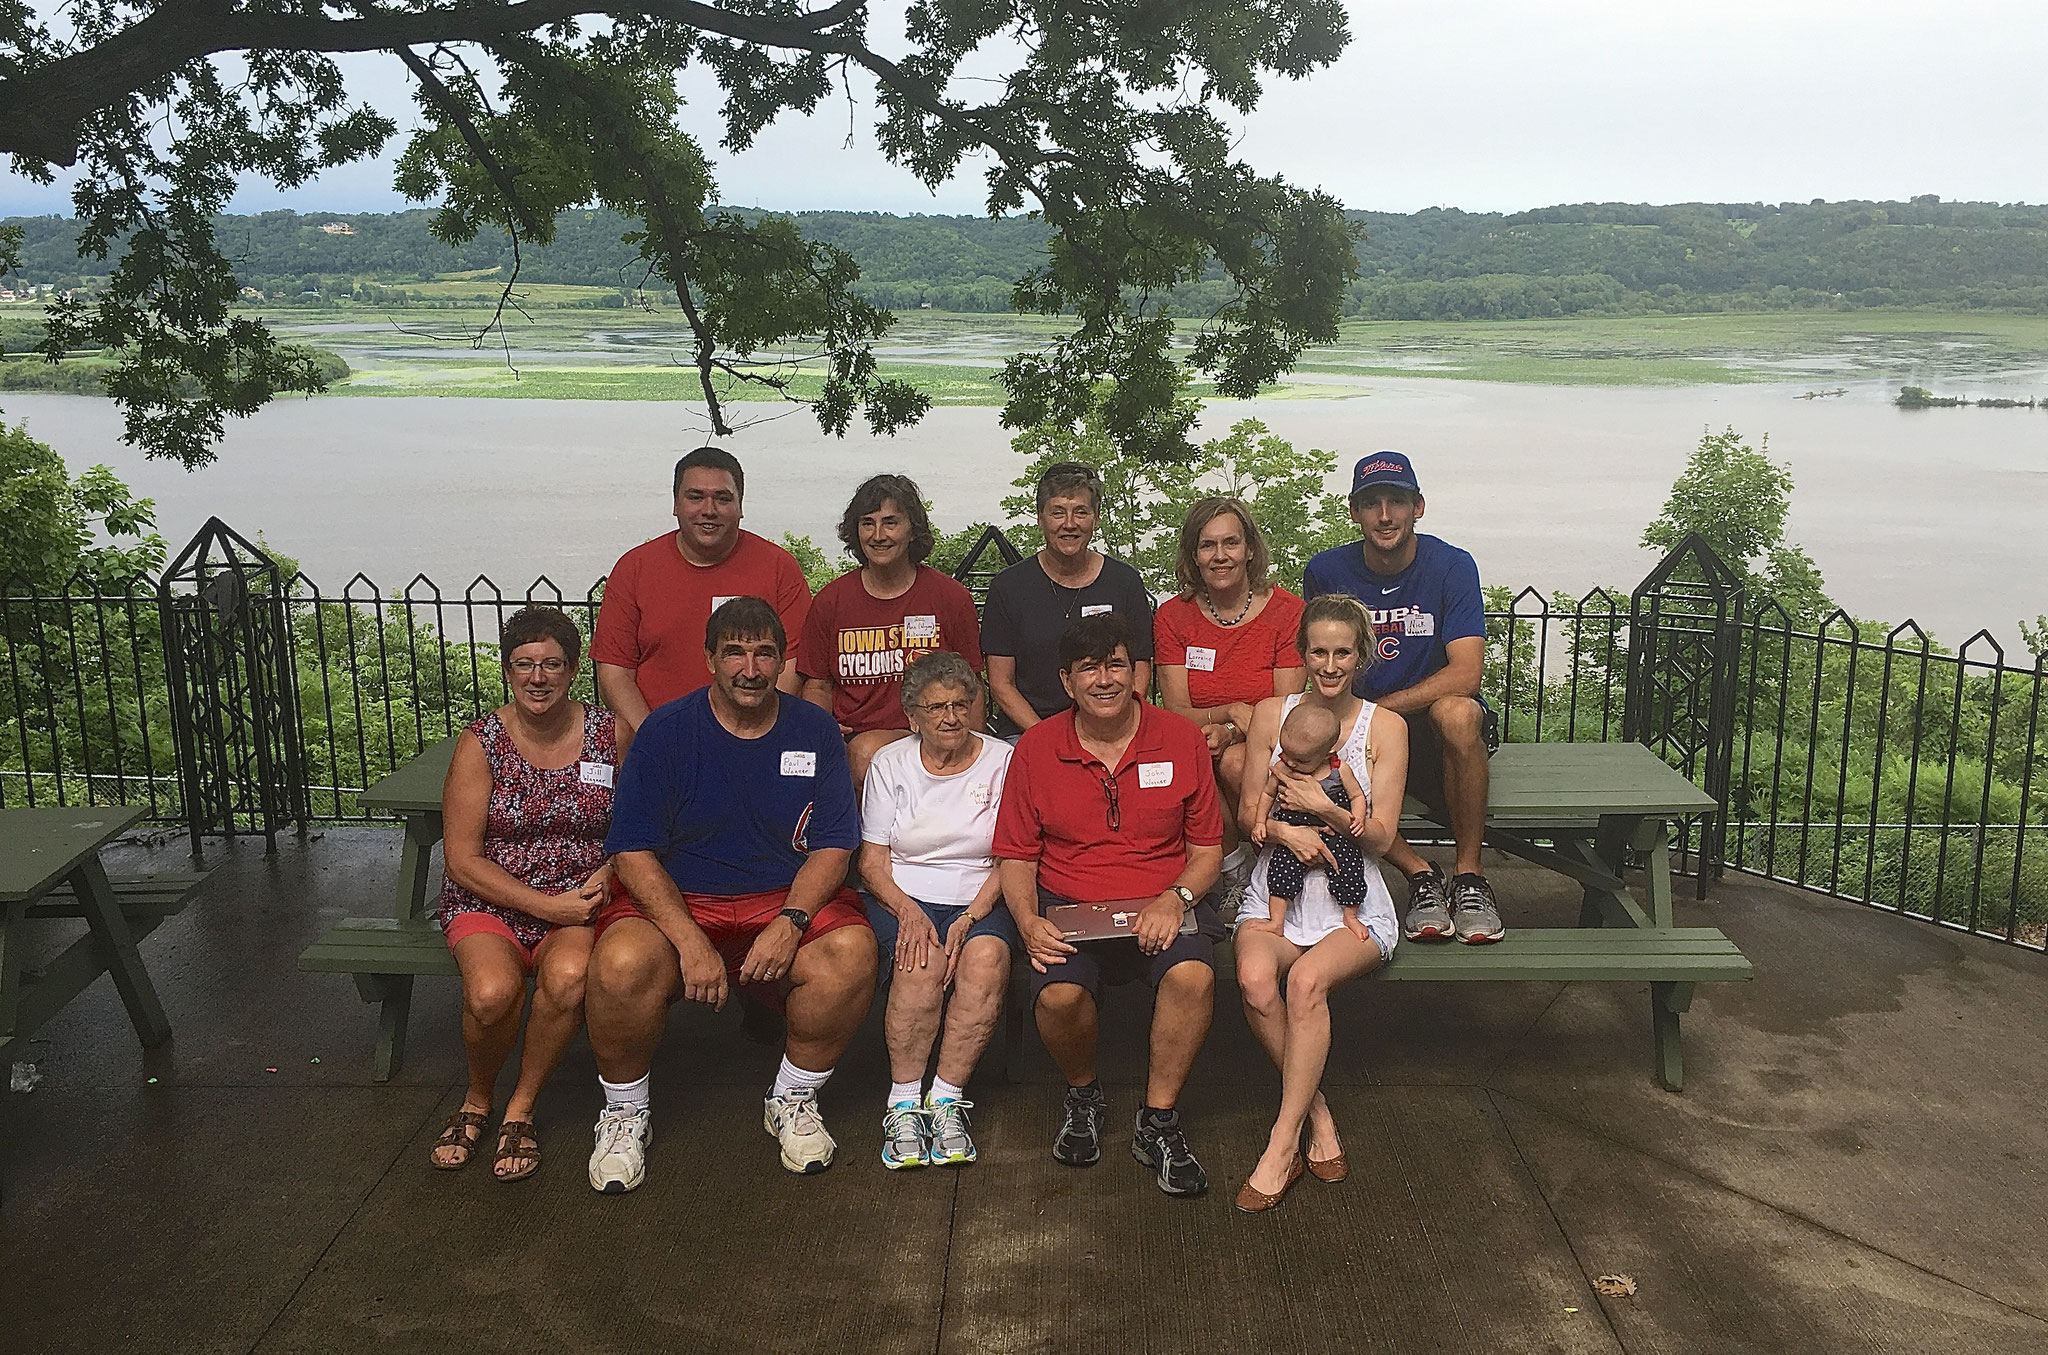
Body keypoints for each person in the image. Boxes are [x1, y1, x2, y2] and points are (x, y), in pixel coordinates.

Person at [584, 597, 877, 1191]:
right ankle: (622, 1111)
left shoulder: (814, 729)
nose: (750, 668)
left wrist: (792, 919)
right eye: (735, 652)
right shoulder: (665, 729)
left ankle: (793, 1099)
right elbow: (632, 850)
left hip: (779, 895)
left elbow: (834, 845)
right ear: (710, 659)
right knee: (619, 963)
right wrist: (690, 941)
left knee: (852, 954)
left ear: (781, 661)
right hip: (684, 898)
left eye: (765, 653)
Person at [993, 612, 1223, 1197]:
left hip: (1162, 899)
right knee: (1059, 995)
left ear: (1136, 673)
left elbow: (1207, 849)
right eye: (1088, 668)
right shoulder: (1037, 750)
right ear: (1067, 681)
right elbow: (1016, 856)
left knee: (1193, 977)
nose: (1104, 680)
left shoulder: (1181, 738)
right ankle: (1084, 1093)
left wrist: (1176, 898)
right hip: (1070, 901)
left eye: (1116, 664)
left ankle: (1159, 1119)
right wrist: (1027, 921)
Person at [1231, 594, 1409, 1212]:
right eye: (1318, 651)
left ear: (1362, 655)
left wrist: (1327, 812)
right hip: (1278, 886)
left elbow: (1381, 837)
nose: (1329, 665)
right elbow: (1248, 812)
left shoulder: (1385, 728)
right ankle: (1319, 1116)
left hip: (1350, 896)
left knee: (1306, 982)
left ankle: (1281, 1145)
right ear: (1302, 653)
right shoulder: (1270, 715)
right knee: (1256, 979)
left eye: (1342, 652)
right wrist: (1286, 830)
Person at [430, 605, 615, 1181]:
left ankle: (521, 1107)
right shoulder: (480, 742)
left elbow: (639, 825)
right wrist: (540, 905)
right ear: (508, 671)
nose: (539, 677)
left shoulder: (610, 734)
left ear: (573, 669)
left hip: (581, 902)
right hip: (491, 898)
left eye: (552, 664)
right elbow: (461, 857)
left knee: (565, 980)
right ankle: (477, 1099)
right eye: (525, 664)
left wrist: (608, 875)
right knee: (490, 993)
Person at [1301, 450, 1501, 944]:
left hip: (1425, 725)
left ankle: (1470, 876)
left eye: (1397, 501)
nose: (1385, 515)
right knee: (1311, 744)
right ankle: (1419, 875)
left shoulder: (1451, 565)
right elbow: (1318, 662)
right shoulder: (1326, 571)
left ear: (1419, 506)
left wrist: (1383, 711)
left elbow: (1467, 673)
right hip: (1359, 732)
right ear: (1354, 512)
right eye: (1372, 503)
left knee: (1458, 714)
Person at [859, 650, 1014, 1169]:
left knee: (985, 960)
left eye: (960, 704)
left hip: (982, 893)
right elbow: (873, 860)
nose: (951, 717)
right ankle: (903, 1103)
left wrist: (971, 917)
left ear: (974, 706)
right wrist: (908, 912)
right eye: (935, 708)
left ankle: (946, 1098)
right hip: (905, 893)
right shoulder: (890, 762)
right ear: (912, 716)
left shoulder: (1003, 760)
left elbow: (1013, 856)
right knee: (919, 961)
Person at [592, 445, 813, 750]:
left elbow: (792, 665)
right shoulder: (635, 568)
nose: (709, 510)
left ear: (740, 505)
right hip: (659, 740)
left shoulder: (778, 567)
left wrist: (751, 733)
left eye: (722, 498)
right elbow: (615, 674)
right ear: (675, 504)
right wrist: (655, 737)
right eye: (695, 497)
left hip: (754, 740)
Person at [1153, 496, 1305, 910]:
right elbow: (1174, 710)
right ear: (1193, 555)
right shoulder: (1172, 616)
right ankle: (1237, 867)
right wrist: (1227, 715)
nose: (1220, 556)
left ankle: (1266, 864)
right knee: (1196, 751)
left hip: (1273, 741)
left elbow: (1283, 710)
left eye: (1230, 543)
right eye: (1207, 545)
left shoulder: (1287, 611)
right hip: (1200, 737)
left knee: (1236, 761)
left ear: (1249, 549)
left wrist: (1235, 730)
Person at [800, 474, 984, 790]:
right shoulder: (831, 601)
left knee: (869, 751)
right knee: (863, 751)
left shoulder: (949, 597)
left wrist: (973, 757)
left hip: (936, 732)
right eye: (867, 523)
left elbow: (973, 684)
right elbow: (817, 686)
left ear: (912, 528)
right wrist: (824, 733)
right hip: (855, 743)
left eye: (890, 523)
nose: (878, 535)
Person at [982, 462, 1155, 739]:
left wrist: (1115, 722)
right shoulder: (1009, 587)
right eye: (1058, 513)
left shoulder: (1125, 582)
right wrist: (1047, 738)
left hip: (1110, 728)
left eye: (1081, 512)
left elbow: (1140, 667)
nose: (1070, 524)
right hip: (1029, 731)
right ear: (1040, 518)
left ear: (1096, 519)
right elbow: (1001, 683)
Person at [1250, 702, 1370, 926]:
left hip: (1335, 831)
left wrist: (1358, 818)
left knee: (1350, 866)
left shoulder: (1338, 769)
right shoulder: (1283, 767)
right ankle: (1276, 921)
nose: (1291, 762)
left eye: (1301, 760)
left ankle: (1351, 915)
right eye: (1286, 753)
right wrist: (1260, 822)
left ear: (1327, 754)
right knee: (1280, 868)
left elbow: (1357, 796)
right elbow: (1266, 794)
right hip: (1294, 827)